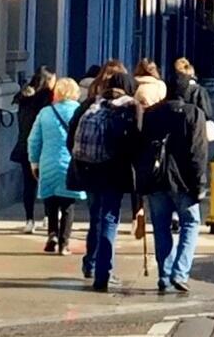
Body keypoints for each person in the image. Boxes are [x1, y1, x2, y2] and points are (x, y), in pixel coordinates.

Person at [138, 61, 214, 295]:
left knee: (161, 227)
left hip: (157, 179)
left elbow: (142, 147)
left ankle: (164, 273)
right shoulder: (194, 114)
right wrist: (199, 183)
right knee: (190, 224)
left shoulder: (152, 114)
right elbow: (197, 152)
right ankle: (180, 272)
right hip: (183, 180)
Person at [66, 63, 138, 292]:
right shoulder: (128, 107)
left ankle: (92, 263)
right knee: (109, 220)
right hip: (113, 172)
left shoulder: (92, 104)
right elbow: (133, 143)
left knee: (95, 218)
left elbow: (71, 136)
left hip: (88, 170)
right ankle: (103, 274)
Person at [27, 77, 83, 255]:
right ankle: (64, 243)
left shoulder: (45, 112)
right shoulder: (80, 111)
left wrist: (34, 162)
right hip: (71, 164)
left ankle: (52, 234)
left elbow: (34, 140)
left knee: (50, 201)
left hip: (48, 162)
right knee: (68, 206)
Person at [10, 67, 58, 229]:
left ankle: (29, 220)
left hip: (25, 145)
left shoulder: (24, 96)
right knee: (47, 183)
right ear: (48, 80)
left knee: (29, 184)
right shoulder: (48, 98)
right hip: (45, 145)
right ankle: (47, 216)